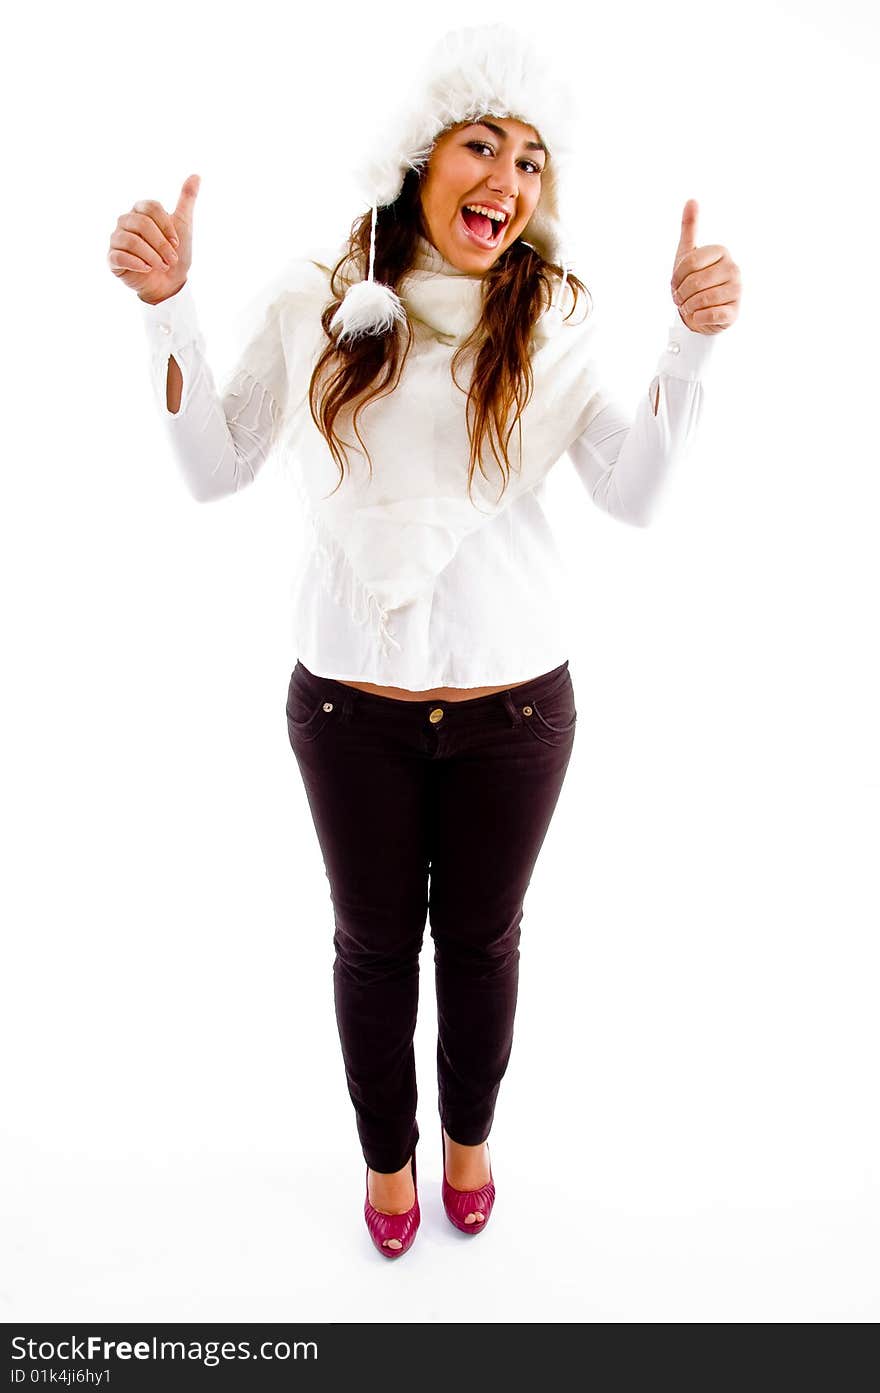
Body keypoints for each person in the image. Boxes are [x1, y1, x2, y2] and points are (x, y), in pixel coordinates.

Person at [106, 22, 740, 1259]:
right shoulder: (315, 303)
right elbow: (213, 466)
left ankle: (469, 1141)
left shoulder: (550, 326)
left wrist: (691, 344)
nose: (509, 177)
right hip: (350, 708)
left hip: (515, 713)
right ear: (420, 160)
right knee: (372, 943)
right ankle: (386, 1161)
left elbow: (638, 492)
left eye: (534, 162)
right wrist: (168, 311)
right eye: (482, 145)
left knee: (484, 944)